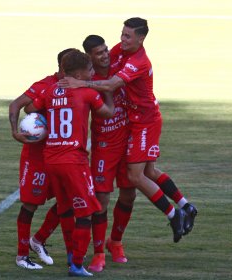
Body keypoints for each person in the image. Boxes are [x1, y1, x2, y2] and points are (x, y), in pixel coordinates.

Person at [59, 17, 197, 244]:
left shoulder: (138, 61)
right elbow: (99, 64)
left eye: (127, 36)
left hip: (144, 121)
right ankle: (186, 206)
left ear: (140, 39)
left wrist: (81, 83)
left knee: (135, 176)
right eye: (122, 34)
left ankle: (174, 215)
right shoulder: (119, 52)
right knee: (150, 172)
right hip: (136, 122)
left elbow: (112, 85)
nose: (121, 40)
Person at [26, 49, 115, 277]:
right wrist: (109, 91)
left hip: (51, 158)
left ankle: (69, 256)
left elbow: (30, 108)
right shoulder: (86, 92)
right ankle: (76, 264)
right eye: (89, 70)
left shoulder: (50, 90)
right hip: (73, 161)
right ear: (78, 73)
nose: (93, 73)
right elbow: (108, 112)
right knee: (85, 213)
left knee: (66, 208)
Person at [9, 48, 76, 270]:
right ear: (61, 68)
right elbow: (17, 105)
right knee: (30, 205)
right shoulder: (45, 85)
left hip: (59, 155)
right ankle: (21, 256)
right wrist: (15, 132)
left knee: (69, 198)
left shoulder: (77, 84)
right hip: (36, 157)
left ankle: (38, 239)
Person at [82, 35, 136, 272]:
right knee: (102, 199)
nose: (105, 55)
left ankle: (115, 241)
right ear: (90, 57)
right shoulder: (87, 76)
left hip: (127, 141)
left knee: (129, 195)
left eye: (105, 50)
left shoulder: (118, 62)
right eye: (99, 53)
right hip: (104, 146)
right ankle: (98, 253)